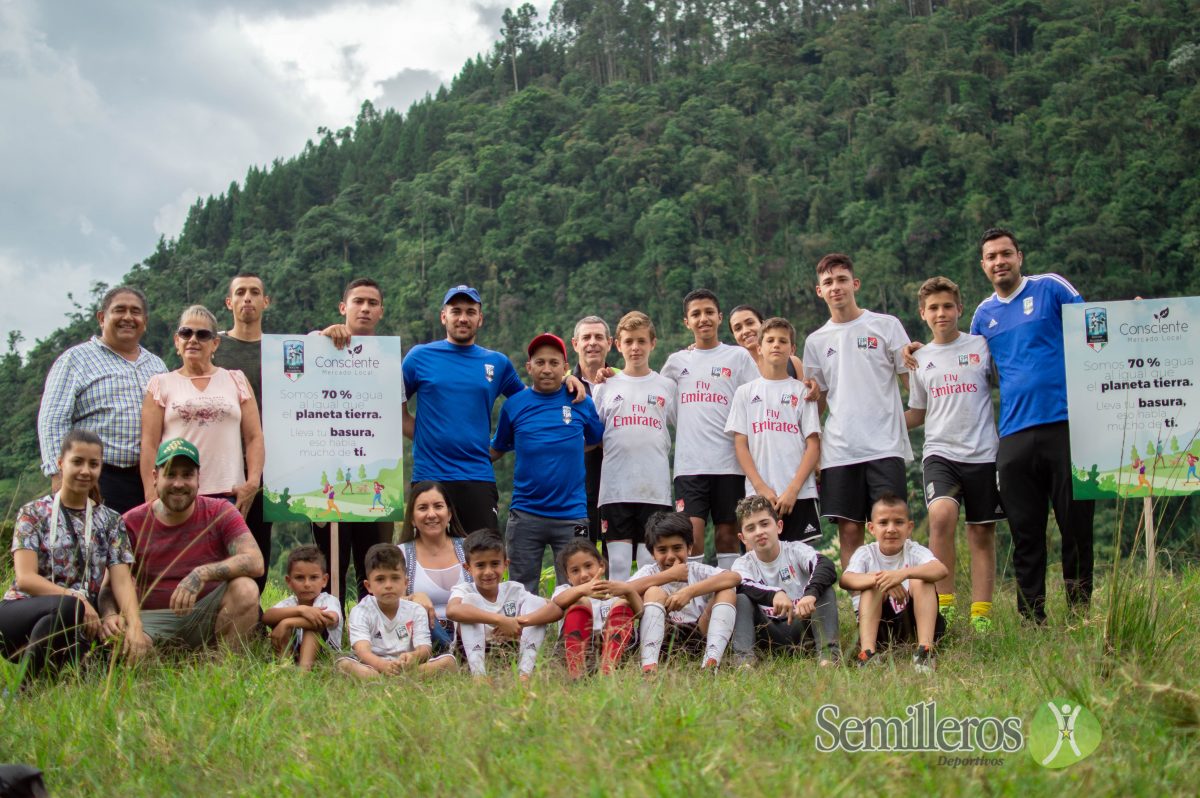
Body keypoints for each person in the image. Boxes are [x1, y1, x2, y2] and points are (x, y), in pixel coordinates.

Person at [967, 228, 1094, 623]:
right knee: (1025, 532)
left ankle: (1079, 611)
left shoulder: (1051, 288)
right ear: (984, 265)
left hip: (1066, 426)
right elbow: (968, 367)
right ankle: (1031, 618)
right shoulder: (982, 316)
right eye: (992, 257)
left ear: (1020, 256)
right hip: (1014, 436)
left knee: (1075, 526)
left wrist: (1133, 316)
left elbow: (1094, 327)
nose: (999, 261)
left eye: (1006, 254)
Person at [1, 430, 149, 679]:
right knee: (68, 608)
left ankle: (37, 687)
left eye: (94, 464)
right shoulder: (33, 512)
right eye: (77, 462)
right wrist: (76, 600)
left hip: (76, 622)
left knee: (110, 650)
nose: (85, 471)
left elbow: (122, 581)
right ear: (60, 463)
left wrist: (134, 626)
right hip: (19, 613)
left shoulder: (110, 521)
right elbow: (25, 578)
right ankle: (22, 691)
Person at [904, 277, 1003, 633]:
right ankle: (943, 605)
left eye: (947, 306)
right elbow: (917, 412)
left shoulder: (981, 346)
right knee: (942, 516)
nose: (941, 313)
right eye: (933, 308)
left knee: (981, 532)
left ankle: (981, 615)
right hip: (940, 453)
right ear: (923, 314)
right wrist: (882, 427)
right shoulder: (919, 359)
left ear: (960, 309)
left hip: (983, 453)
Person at [802, 253, 912, 569]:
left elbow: (913, 385)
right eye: (828, 282)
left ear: (855, 283)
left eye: (841, 280)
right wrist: (814, 451)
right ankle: (859, 606)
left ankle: (896, 607)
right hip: (839, 451)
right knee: (850, 531)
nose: (835, 287)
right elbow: (817, 402)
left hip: (885, 447)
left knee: (890, 529)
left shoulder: (886, 326)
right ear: (819, 290)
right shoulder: (816, 341)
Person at [111, 438, 263, 650]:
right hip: (150, 621)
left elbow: (255, 561)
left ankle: (224, 670)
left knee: (245, 589)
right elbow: (109, 585)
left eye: (187, 475)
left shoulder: (220, 511)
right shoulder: (131, 522)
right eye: (171, 474)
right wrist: (110, 616)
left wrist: (201, 573)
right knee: (131, 653)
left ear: (198, 479)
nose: (178, 483)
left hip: (205, 615)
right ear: (155, 477)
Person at [401, 285, 525, 534]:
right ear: (443, 316)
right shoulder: (419, 357)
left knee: (483, 560)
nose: (463, 318)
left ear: (480, 318)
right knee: (427, 560)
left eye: (470, 311)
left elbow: (526, 406)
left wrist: (499, 445)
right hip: (430, 475)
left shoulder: (497, 363)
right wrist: (428, 436)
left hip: (477, 476)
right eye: (456, 311)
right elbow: (394, 408)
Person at [490, 333, 604, 594]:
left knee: (578, 588)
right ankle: (521, 635)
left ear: (565, 368)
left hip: (572, 514)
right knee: (520, 589)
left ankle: (573, 635)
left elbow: (595, 440)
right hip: (526, 514)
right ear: (529, 367)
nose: (547, 369)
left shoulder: (580, 400)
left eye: (554, 363)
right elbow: (498, 447)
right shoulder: (514, 406)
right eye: (540, 363)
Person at [38, 285, 167, 514]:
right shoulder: (75, 360)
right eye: (119, 310)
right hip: (96, 476)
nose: (128, 317)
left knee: (142, 548)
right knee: (93, 546)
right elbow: (53, 421)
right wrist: (60, 477)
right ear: (101, 318)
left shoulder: (157, 366)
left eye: (135, 312)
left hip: (148, 480)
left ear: (144, 321)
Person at [313, 277, 396, 610]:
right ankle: (331, 633)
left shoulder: (390, 360)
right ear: (343, 308)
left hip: (375, 473)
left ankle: (371, 632)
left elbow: (399, 413)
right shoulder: (318, 345)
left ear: (380, 312)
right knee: (331, 563)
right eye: (358, 301)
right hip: (325, 477)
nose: (365, 308)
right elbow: (294, 356)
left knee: (372, 562)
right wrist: (323, 336)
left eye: (372, 303)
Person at [661, 289, 759, 569]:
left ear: (719, 317)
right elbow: (665, 407)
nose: (702, 318)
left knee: (728, 533)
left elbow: (755, 399)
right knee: (690, 533)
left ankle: (728, 599)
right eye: (695, 314)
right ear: (686, 322)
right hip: (690, 465)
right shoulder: (676, 362)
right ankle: (694, 602)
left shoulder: (738, 357)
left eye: (708, 312)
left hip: (730, 463)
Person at [139, 305, 265, 520]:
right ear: (176, 341)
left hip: (230, 496)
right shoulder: (161, 384)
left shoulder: (236, 380)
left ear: (215, 343)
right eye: (186, 333)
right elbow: (149, 444)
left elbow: (254, 437)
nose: (193, 339)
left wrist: (252, 483)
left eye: (203, 334)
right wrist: (151, 496)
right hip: (176, 495)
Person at [591, 311, 676, 581]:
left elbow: (686, 427)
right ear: (618, 345)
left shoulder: (667, 386)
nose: (635, 348)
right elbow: (592, 434)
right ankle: (619, 621)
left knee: (649, 563)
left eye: (641, 341)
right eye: (628, 342)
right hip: (615, 488)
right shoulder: (604, 386)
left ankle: (647, 621)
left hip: (655, 488)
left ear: (653, 342)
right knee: (617, 563)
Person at [726, 317, 823, 543]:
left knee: (803, 562)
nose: (776, 345)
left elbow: (813, 445)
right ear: (759, 348)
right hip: (758, 495)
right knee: (761, 561)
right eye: (770, 340)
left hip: (800, 493)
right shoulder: (745, 392)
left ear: (793, 349)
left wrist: (793, 490)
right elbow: (740, 445)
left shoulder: (803, 392)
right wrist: (760, 487)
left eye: (783, 341)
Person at [212, 273, 273, 593]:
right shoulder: (213, 347)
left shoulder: (280, 349)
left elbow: (318, 348)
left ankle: (252, 613)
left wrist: (329, 331)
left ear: (266, 301)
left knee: (260, 534)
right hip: (221, 458)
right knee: (218, 536)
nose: (247, 298)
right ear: (229, 302)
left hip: (268, 460)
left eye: (254, 292)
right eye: (240, 292)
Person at [840, 493, 948, 673]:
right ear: (871, 528)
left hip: (914, 623)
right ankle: (867, 655)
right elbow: (846, 579)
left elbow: (941, 570)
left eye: (898, 522)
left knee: (922, 579)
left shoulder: (913, 550)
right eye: (883, 523)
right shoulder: (866, 553)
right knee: (872, 583)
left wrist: (902, 574)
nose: (891, 529)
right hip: (881, 628)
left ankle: (924, 651)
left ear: (909, 527)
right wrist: (883, 581)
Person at [729, 495, 840, 667]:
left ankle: (828, 658)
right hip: (766, 632)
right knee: (739, 597)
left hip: (801, 626)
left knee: (824, 590)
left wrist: (810, 594)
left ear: (779, 526)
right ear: (743, 538)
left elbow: (825, 565)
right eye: (751, 528)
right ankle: (744, 662)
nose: (759, 532)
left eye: (765, 524)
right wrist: (775, 594)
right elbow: (744, 585)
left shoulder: (795, 550)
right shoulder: (742, 563)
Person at [628, 511, 741, 673]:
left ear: (689, 548)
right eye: (662, 550)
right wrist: (668, 576)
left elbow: (734, 577)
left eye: (677, 548)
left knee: (727, 591)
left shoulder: (696, 571)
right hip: (662, 639)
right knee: (653, 592)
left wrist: (689, 591)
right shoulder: (649, 572)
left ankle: (711, 663)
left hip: (698, 635)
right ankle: (649, 667)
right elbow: (624, 590)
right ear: (653, 553)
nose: (671, 556)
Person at [515, 540, 643, 678]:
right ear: (568, 577)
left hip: (614, 650)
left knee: (623, 604)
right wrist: (583, 591)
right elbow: (558, 602)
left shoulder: (614, 590)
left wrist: (629, 591)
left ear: (601, 565)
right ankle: (576, 674)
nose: (583, 575)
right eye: (575, 571)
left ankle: (608, 670)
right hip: (574, 651)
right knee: (580, 602)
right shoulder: (565, 590)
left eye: (588, 566)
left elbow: (640, 612)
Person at [336, 543, 456, 678]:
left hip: (407, 667)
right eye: (380, 579)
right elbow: (362, 651)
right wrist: (383, 666)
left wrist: (414, 656)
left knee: (448, 661)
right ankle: (385, 678)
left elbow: (425, 648)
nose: (388, 585)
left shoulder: (416, 610)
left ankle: (399, 678)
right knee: (344, 664)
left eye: (395, 578)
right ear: (368, 586)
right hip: (373, 666)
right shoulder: (360, 611)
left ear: (405, 583)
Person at [445, 530, 550, 679]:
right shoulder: (464, 589)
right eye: (480, 565)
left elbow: (553, 609)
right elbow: (452, 610)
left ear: (506, 564)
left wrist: (517, 623)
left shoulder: (514, 589)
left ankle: (524, 673)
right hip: (469, 657)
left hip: (508, 655)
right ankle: (479, 677)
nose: (488, 572)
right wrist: (500, 620)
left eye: (495, 564)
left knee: (537, 603)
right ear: (468, 568)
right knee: (469, 601)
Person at [397, 481, 471, 660]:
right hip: (424, 634)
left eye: (438, 506)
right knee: (418, 612)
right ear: (413, 519)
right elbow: (387, 600)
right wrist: (413, 598)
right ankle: (449, 656)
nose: (431, 514)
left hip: (469, 630)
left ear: (450, 513)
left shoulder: (470, 548)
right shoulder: (400, 553)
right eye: (423, 508)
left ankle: (453, 656)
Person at [571, 315, 615, 545]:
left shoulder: (623, 379)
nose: (592, 342)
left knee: (617, 556)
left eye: (599, 337)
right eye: (586, 337)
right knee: (580, 552)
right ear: (575, 344)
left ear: (609, 342)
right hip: (576, 492)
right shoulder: (562, 386)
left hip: (619, 487)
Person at [262, 545, 342, 670]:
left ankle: (303, 675)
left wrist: (287, 622)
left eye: (313, 577)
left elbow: (330, 618)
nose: (307, 584)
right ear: (289, 581)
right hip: (295, 654)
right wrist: (301, 610)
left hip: (326, 658)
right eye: (300, 578)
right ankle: (286, 668)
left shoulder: (328, 600)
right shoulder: (291, 603)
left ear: (324, 580)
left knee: (313, 625)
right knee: (279, 622)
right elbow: (267, 616)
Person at [728, 305, 806, 379]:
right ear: (734, 335)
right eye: (738, 328)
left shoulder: (793, 363)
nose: (745, 331)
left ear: (762, 324)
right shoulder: (734, 371)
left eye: (750, 323)